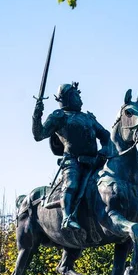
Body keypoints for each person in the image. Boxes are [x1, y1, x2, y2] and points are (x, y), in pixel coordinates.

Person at [32, 82, 112, 230]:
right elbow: (39, 135)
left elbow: (105, 136)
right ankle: (67, 217)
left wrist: (105, 149)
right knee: (71, 185)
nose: (80, 99)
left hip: (95, 161)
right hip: (73, 161)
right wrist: (37, 116)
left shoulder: (88, 118)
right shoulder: (59, 116)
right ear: (67, 98)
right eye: (76, 95)